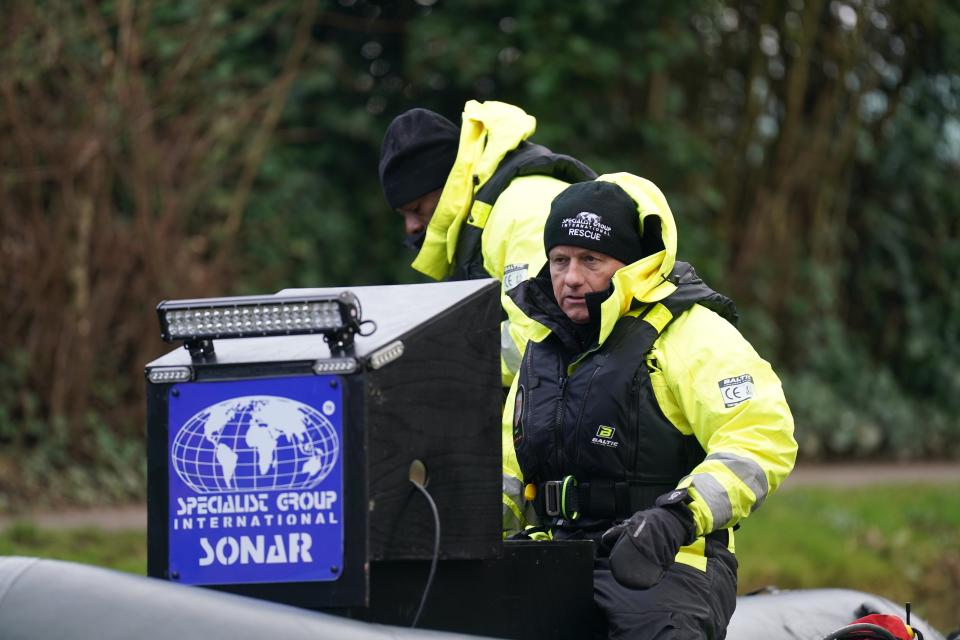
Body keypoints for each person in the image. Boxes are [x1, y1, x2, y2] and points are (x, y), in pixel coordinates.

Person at [501, 174, 798, 639]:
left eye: (590, 260)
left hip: (669, 562)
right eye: (559, 260)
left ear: (633, 263)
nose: (571, 277)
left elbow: (761, 438)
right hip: (553, 558)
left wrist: (678, 517)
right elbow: (508, 477)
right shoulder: (540, 350)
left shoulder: (694, 335)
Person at [378, 100, 596, 387]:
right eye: (403, 215)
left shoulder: (524, 209)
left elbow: (544, 340)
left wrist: (439, 355)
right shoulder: (486, 217)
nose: (411, 227)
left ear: (449, 183)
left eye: (416, 208)